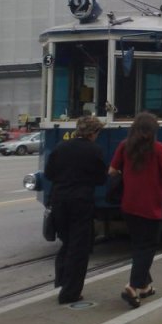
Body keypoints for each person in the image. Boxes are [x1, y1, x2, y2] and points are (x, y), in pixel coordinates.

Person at [109, 112, 162, 309]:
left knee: (139, 244)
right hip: (150, 205)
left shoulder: (124, 146)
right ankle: (132, 287)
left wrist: (128, 175)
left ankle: (145, 286)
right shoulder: (158, 149)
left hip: (129, 205)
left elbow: (112, 171)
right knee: (147, 247)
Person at [44, 115, 107, 305]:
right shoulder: (95, 150)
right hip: (80, 202)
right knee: (79, 248)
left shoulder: (61, 147)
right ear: (93, 133)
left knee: (67, 242)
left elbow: (49, 173)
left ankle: (62, 280)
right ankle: (70, 293)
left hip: (59, 201)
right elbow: (101, 179)